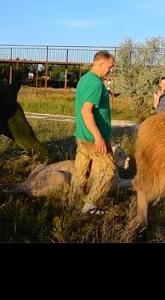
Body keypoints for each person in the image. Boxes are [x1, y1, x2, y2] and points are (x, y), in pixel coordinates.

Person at [71, 50, 116, 215]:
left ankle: (73, 204)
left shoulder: (85, 79)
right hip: (93, 138)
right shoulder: (96, 83)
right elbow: (86, 111)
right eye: (110, 66)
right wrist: (98, 138)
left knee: (81, 171)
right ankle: (90, 205)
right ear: (100, 63)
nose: (111, 70)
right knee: (109, 170)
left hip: (82, 135)